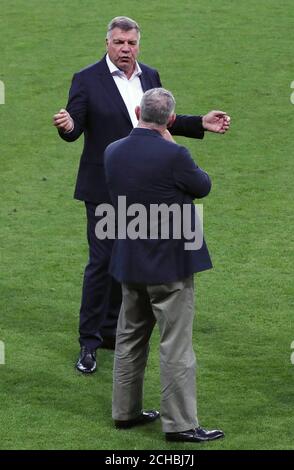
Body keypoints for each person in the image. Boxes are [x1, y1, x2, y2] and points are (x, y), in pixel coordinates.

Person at [53, 16, 230, 374]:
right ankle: (88, 343)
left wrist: (200, 123)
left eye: (131, 43)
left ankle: (110, 332)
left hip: (144, 190)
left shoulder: (150, 75)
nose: (125, 49)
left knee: (126, 261)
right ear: (107, 42)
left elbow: (160, 118)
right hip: (104, 188)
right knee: (102, 263)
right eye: (119, 42)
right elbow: (75, 123)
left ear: (138, 45)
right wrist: (69, 126)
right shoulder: (87, 80)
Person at [104, 87, 224, 443]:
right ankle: (181, 424)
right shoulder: (175, 154)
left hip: (129, 262)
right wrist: (173, 146)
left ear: (139, 110)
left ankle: (125, 413)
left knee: (129, 339)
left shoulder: (113, 151)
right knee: (175, 345)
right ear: (170, 119)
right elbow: (202, 185)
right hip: (170, 265)